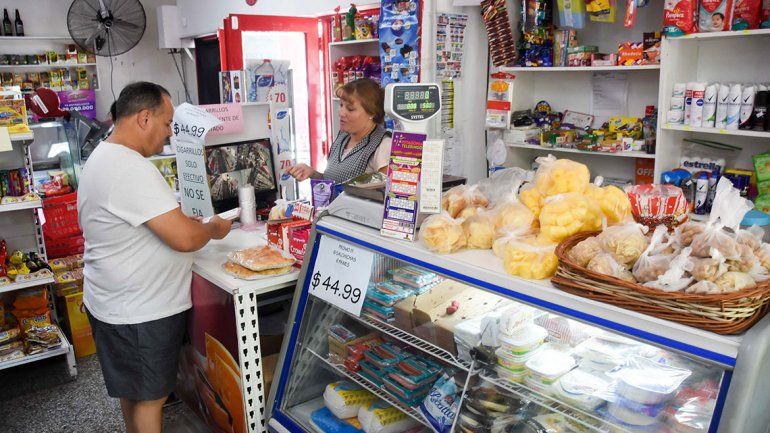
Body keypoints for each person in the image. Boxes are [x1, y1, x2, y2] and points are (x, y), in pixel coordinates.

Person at [77, 82, 232, 433]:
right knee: (151, 399)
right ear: (144, 118)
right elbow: (185, 239)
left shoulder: (104, 155)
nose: (168, 134)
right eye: (167, 124)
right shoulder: (129, 167)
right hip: (138, 312)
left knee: (133, 394)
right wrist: (211, 229)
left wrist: (181, 224)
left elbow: (151, 223)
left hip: (115, 304)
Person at [287, 78, 392, 183]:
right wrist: (312, 173)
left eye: (350, 109)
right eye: (341, 105)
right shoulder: (343, 137)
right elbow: (333, 181)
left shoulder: (383, 145)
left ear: (372, 113)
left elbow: (383, 193)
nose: (341, 113)